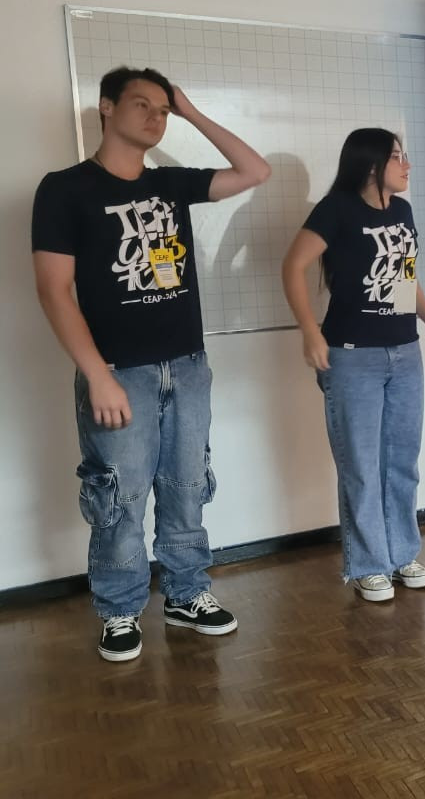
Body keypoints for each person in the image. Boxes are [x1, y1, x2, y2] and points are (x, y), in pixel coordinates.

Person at [32, 66, 270, 662]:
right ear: (106, 107)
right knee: (121, 496)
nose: (155, 117)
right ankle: (119, 609)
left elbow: (254, 171)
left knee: (188, 486)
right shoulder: (64, 189)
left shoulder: (170, 184)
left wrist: (189, 111)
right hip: (119, 371)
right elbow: (54, 291)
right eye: (142, 104)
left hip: (187, 365)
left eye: (163, 109)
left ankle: (186, 594)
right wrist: (98, 374)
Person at [282, 128, 425, 602]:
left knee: (402, 461)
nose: (407, 165)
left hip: (403, 352)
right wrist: (310, 331)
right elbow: (293, 266)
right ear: (372, 165)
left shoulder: (402, 212)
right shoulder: (336, 209)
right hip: (352, 355)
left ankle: (401, 554)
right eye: (398, 157)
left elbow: (404, 277)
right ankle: (368, 564)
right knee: (361, 464)